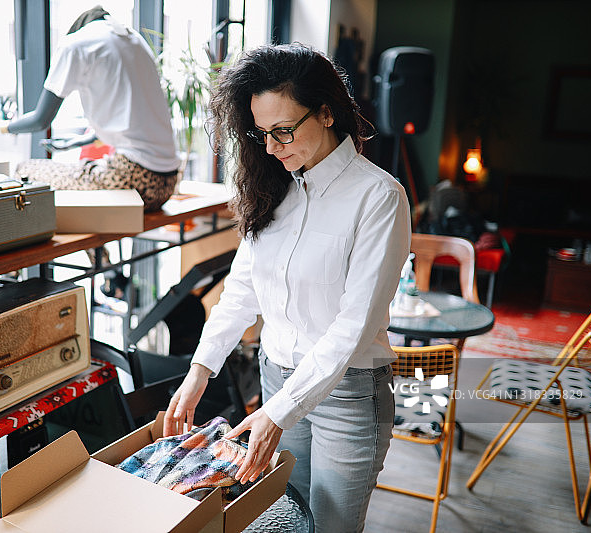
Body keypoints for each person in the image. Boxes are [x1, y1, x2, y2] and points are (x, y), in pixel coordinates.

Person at [163, 43, 411, 533]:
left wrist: (276, 414)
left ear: (326, 112)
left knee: (332, 525)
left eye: (283, 131)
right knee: (286, 518)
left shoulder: (379, 197)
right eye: (261, 135)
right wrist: (199, 370)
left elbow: (354, 327)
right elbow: (241, 290)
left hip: (348, 395)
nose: (272, 149)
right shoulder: (273, 189)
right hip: (277, 378)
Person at [2, 6, 180, 211]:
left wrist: (6, 127)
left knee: (25, 170)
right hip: (168, 184)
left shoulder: (75, 44)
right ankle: (98, 245)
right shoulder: (135, 41)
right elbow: (132, 119)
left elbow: (40, 120)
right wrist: (79, 141)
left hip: (135, 181)